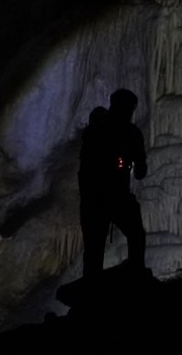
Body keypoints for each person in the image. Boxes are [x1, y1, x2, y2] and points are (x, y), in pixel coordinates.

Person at [78, 88, 148, 278]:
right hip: (115, 196)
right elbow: (140, 173)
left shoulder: (94, 132)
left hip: (94, 199)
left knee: (93, 252)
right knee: (136, 235)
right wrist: (130, 162)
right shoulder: (131, 133)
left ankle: (92, 288)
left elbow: (84, 171)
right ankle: (136, 274)